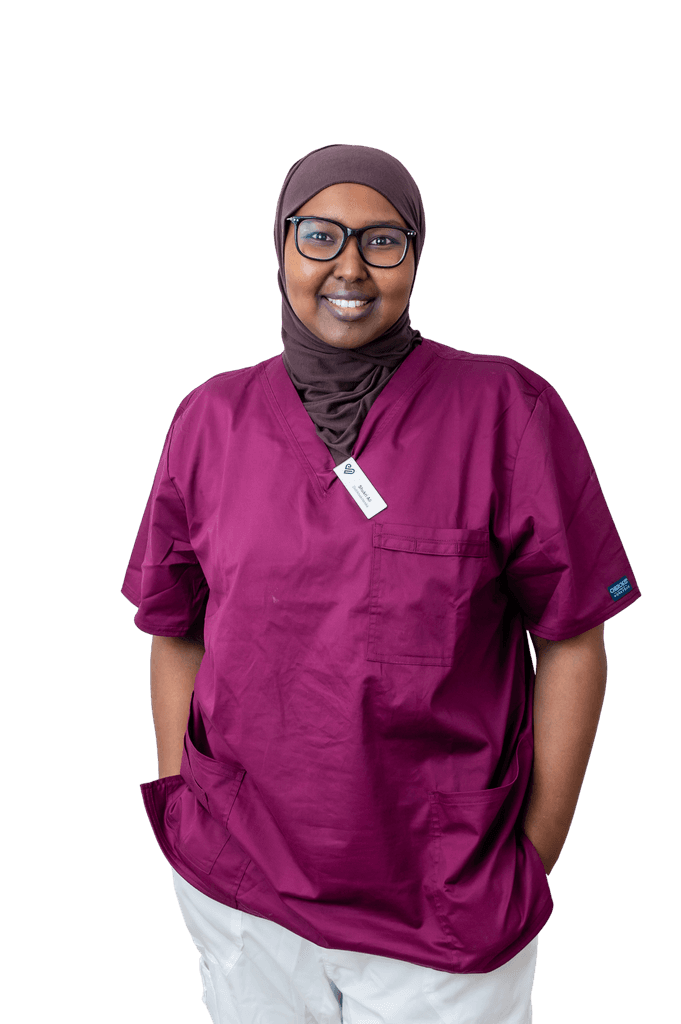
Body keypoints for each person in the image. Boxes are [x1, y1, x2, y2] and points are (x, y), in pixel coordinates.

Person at [121, 144, 641, 1023]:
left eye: (382, 241)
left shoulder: (505, 411)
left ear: (417, 254)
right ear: (280, 246)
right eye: (318, 236)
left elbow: (572, 638)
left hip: (441, 901)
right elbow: (175, 625)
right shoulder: (210, 419)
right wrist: (185, 801)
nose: (348, 268)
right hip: (241, 887)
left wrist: (533, 853)